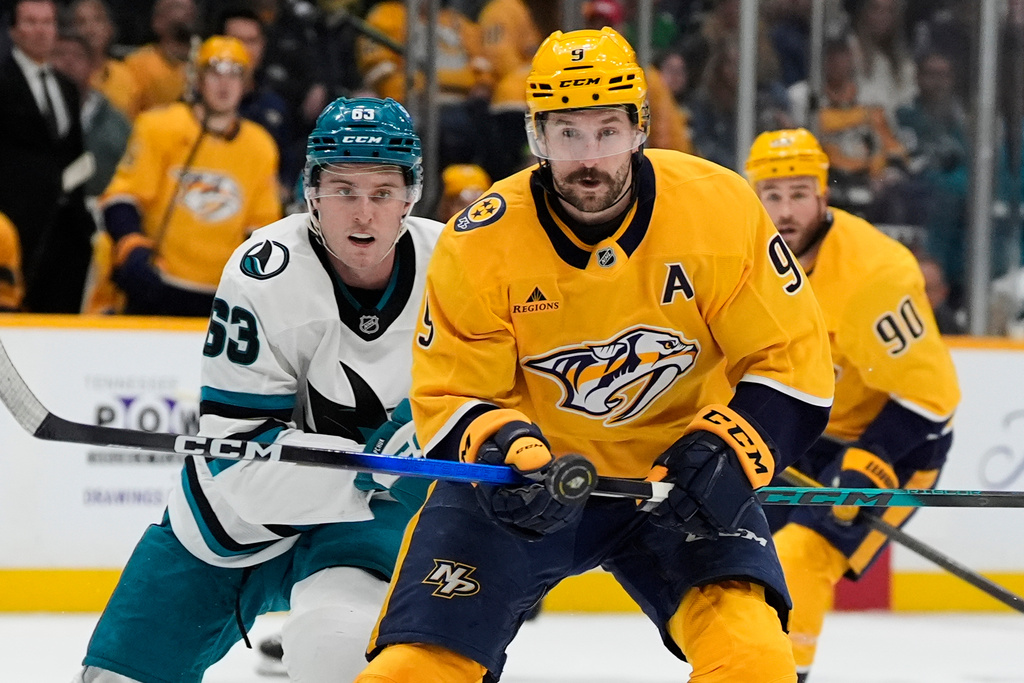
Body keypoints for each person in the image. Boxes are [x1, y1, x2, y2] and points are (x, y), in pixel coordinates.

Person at [356, 27, 835, 683]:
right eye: (567, 134)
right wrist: (507, 452)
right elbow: (450, 394)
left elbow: (793, 359)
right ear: (536, 136)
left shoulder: (719, 208)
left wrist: (731, 448)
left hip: (676, 482)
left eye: (607, 131)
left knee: (754, 661)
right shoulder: (482, 242)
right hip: (528, 485)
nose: (589, 157)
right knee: (413, 671)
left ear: (639, 128)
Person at [74, 96, 443, 683]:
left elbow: (487, 398)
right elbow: (237, 467)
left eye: (382, 192)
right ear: (311, 192)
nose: (364, 214)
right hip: (230, 526)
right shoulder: (264, 273)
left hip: (363, 525)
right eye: (344, 190)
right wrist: (367, 463)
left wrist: (440, 434)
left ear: (411, 194)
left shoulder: (453, 265)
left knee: (339, 652)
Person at [744, 128, 960, 682]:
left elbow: (931, 397)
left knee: (799, 556)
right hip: (802, 432)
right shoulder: (739, 262)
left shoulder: (876, 274)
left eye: (798, 194)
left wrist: (872, 459)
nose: (785, 211)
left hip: (894, 441)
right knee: (738, 559)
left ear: (823, 195)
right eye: (772, 195)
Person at [93, 35, 280, 316]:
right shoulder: (159, 126)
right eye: (215, 72)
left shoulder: (260, 146)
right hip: (157, 285)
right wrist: (133, 248)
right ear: (197, 79)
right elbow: (122, 197)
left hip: (221, 296)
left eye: (235, 74)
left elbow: (261, 228)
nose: (224, 84)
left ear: (246, 83)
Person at [0, 0, 96, 313]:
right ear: (13, 30)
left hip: (64, 228)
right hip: (14, 224)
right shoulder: (3, 80)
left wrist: (81, 221)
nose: (41, 30)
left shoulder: (66, 87)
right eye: (31, 22)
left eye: (47, 22)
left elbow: (73, 154)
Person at [122, 0, 198, 115]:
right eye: (178, 7)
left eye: (191, 8)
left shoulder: (206, 60)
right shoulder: (137, 64)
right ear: (158, 22)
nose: (188, 12)